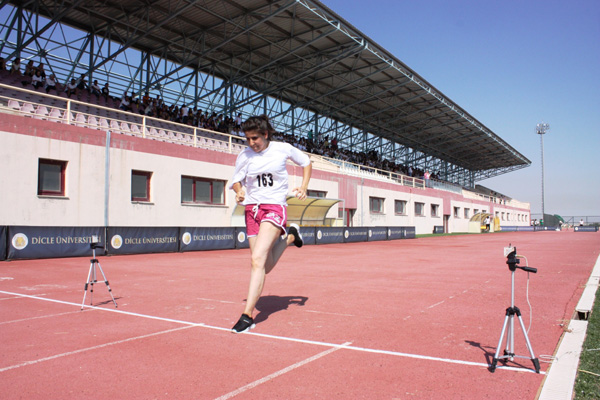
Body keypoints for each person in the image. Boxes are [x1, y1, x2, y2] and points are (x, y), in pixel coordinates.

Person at [229, 114, 312, 333]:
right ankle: (291, 236)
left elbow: (306, 162)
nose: (251, 143)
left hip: (274, 207)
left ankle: (247, 316)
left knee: (257, 260)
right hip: (251, 210)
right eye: (247, 139)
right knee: (263, 266)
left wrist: (304, 186)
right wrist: (239, 192)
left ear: (266, 135)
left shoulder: (282, 149)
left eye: (255, 138)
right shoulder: (245, 155)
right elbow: (236, 181)